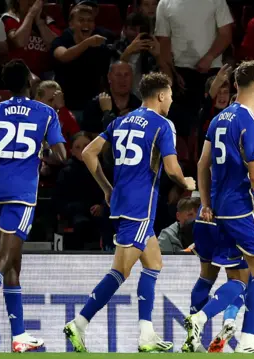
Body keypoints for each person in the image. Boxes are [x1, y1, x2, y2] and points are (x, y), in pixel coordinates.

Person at [63, 72, 196, 353]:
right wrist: (186, 182)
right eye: (170, 95)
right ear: (160, 95)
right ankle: (80, 321)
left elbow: (88, 153)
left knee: (153, 264)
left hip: (124, 202)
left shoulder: (120, 121)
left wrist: (107, 188)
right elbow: (172, 168)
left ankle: (146, 334)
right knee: (120, 271)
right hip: (139, 207)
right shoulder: (163, 124)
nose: (171, 100)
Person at [0, 59, 66, 353]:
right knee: (4, 257)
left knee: (13, 264)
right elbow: (61, 155)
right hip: (22, 190)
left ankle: (19, 335)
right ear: (29, 82)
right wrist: (38, 155)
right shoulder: (45, 112)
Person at [194, 60, 254, 353]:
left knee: (240, 275)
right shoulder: (250, 121)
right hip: (241, 206)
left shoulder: (219, 119)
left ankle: (202, 316)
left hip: (218, 207)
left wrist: (206, 203)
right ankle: (247, 340)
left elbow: (201, 164)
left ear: (234, 85)